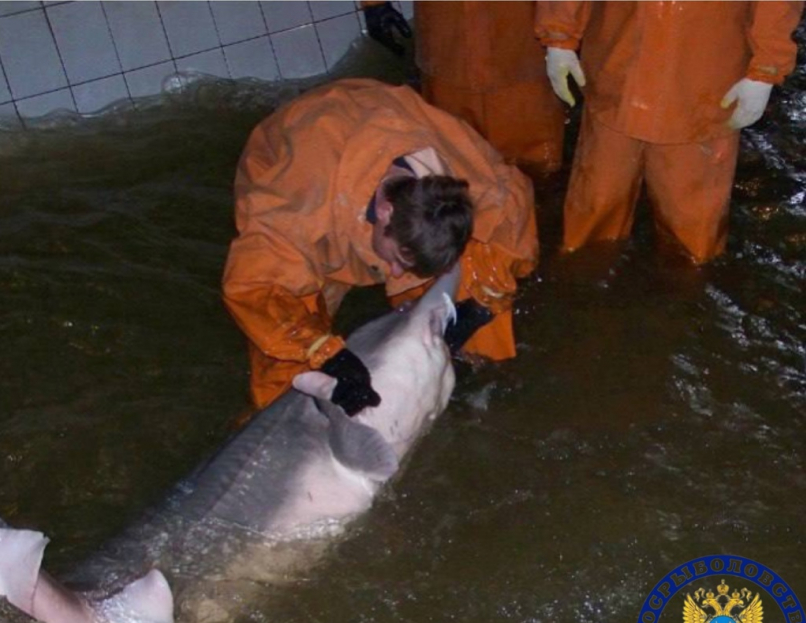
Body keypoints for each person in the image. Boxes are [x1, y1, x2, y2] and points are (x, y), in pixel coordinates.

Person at [222, 78, 538, 413]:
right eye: (398, 261)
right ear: (385, 211)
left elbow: (512, 213)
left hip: (375, 134)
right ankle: (284, 434)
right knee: (286, 355)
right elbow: (253, 284)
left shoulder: (470, 178)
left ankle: (467, 385)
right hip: (306, 183)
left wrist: (481, 306)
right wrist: (326, 353)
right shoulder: (299, 208)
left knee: (476, 270)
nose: (396, 273)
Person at [535, 1, 804, 264]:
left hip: (704, 82)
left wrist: (765, 69)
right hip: (617, 71)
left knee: (691, 229)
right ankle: (583, 274)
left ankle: (688, 291)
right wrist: (559, 36)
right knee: (597, 202)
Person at [363, 1, 566, 177]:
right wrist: (375, 4)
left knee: (537, 169)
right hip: (449, 51)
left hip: (520, 49)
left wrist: (564, 30)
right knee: (452, 169)